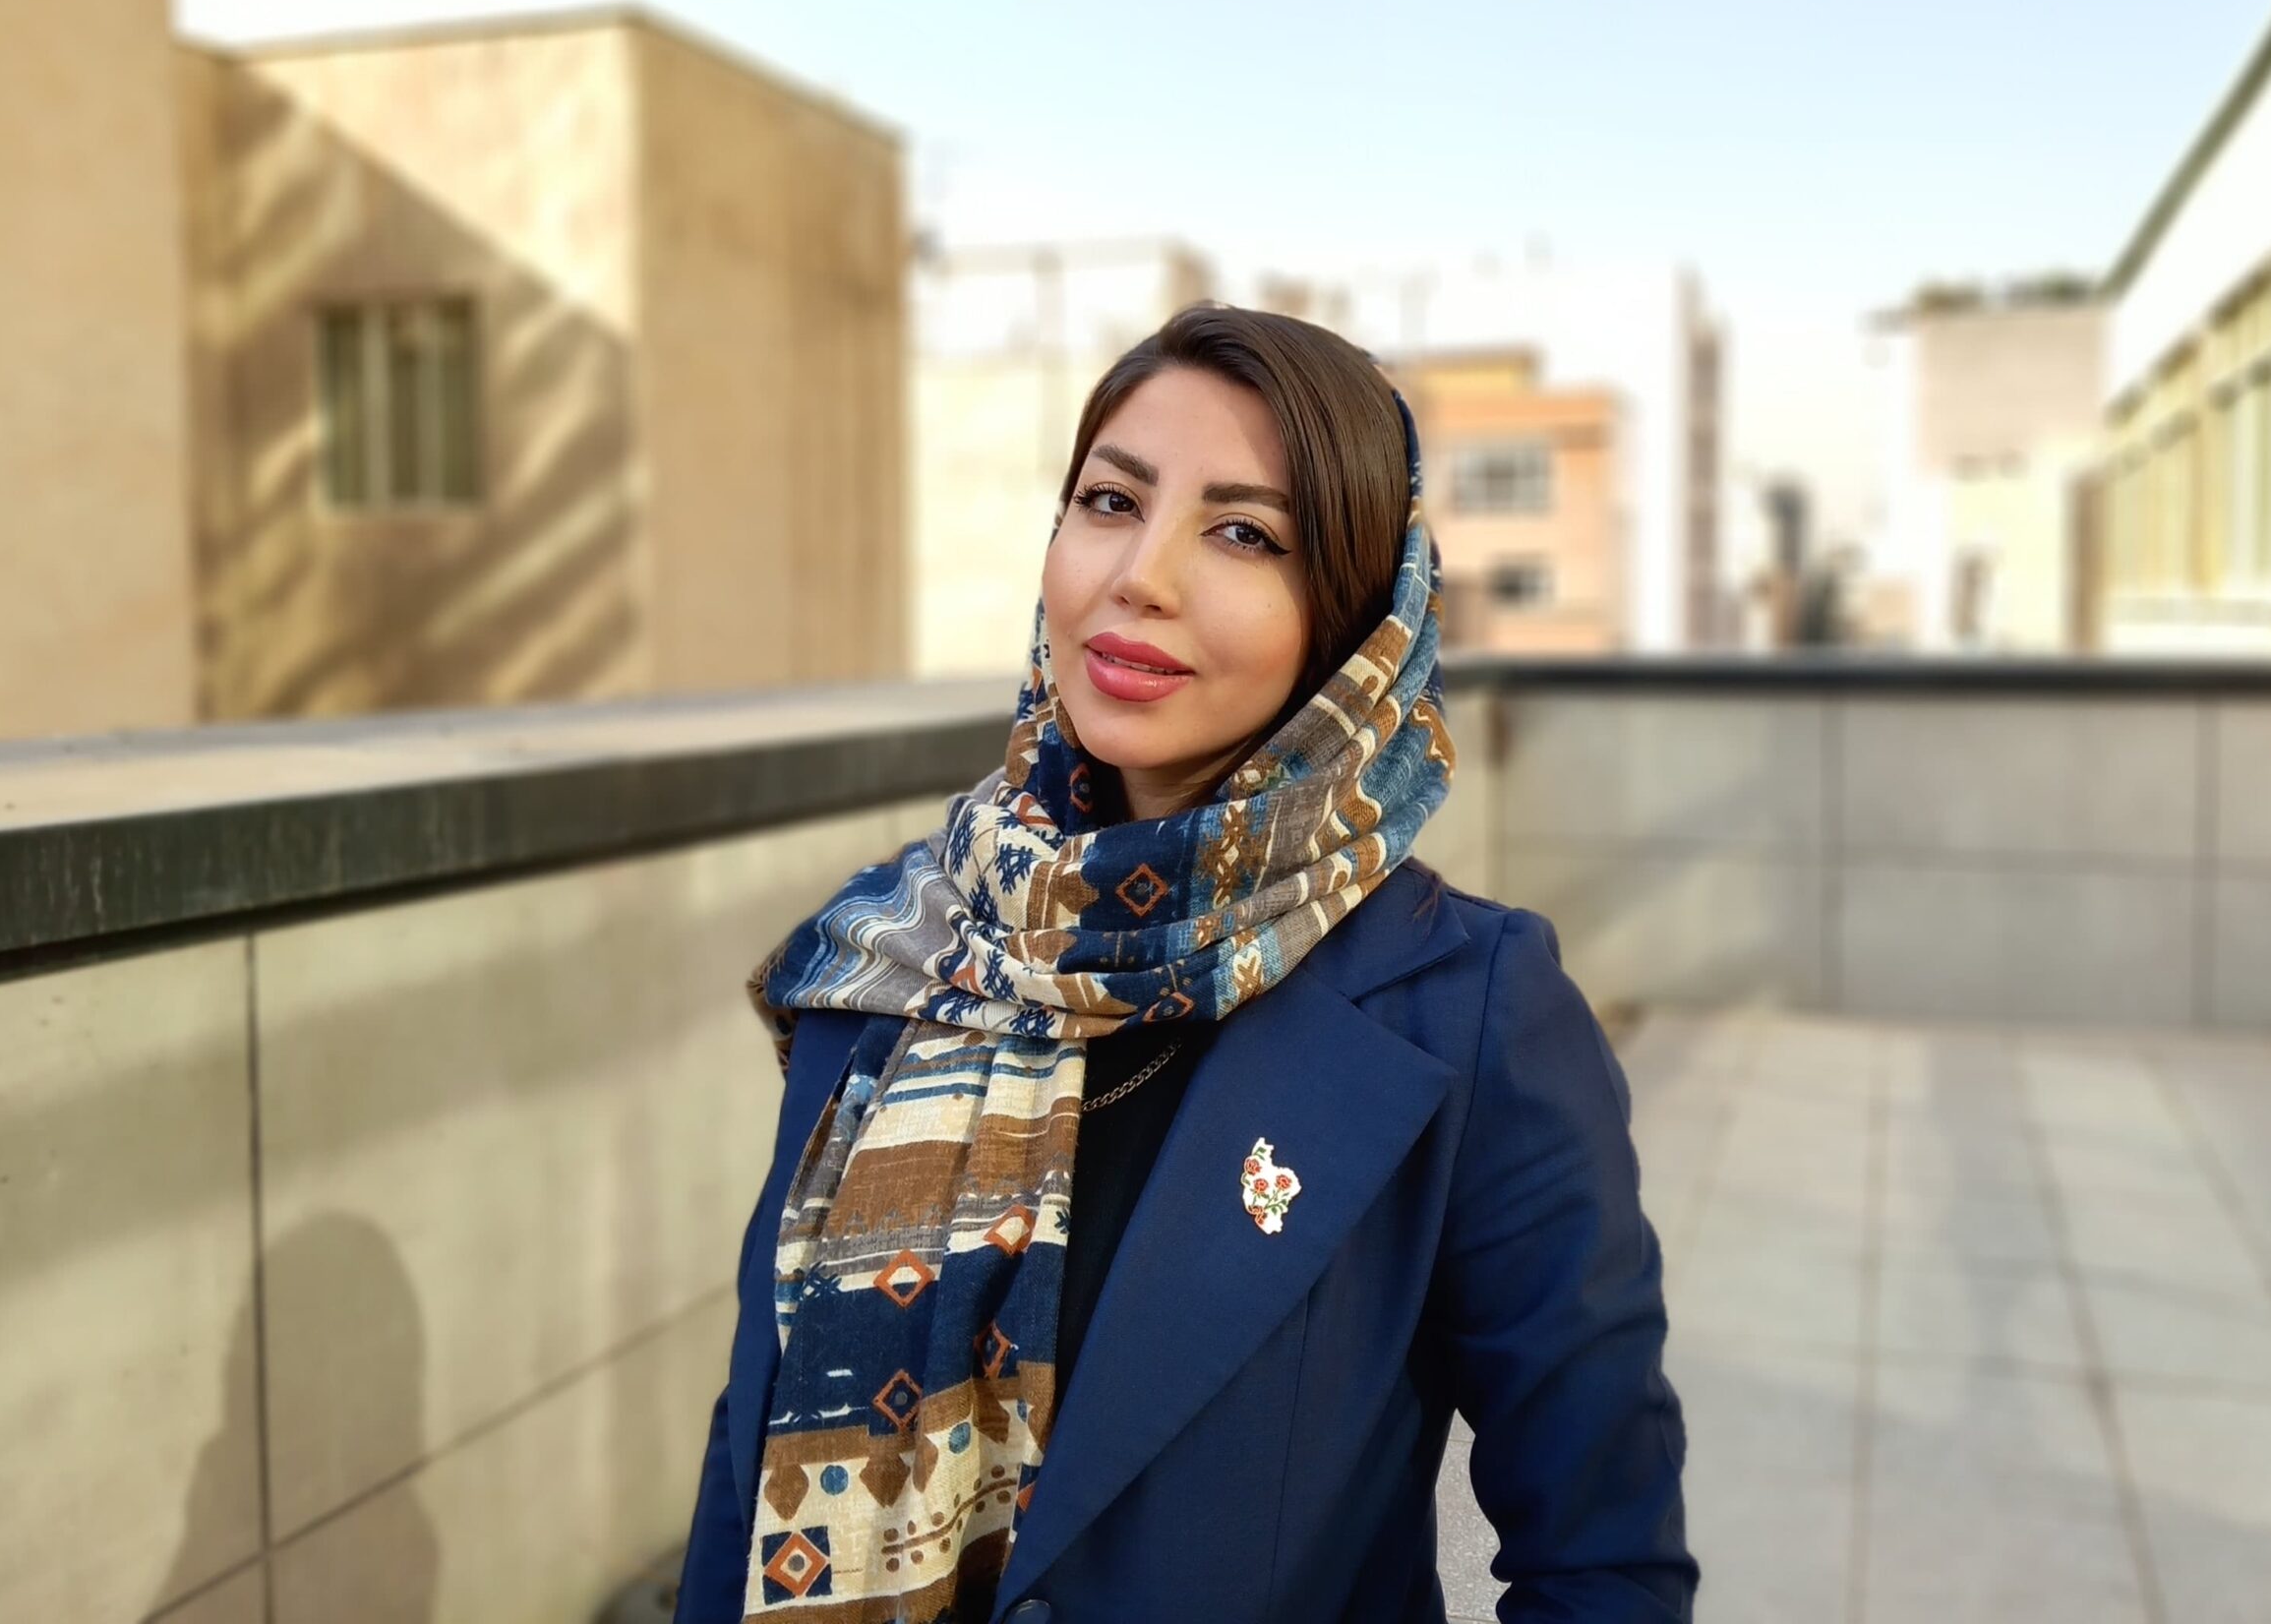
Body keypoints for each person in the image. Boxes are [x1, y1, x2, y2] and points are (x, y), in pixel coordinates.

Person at [675, 305, 1694, 1623]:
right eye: (1111, 502)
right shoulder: (893, 956)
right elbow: (748, 1456)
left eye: (1244, 534)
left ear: (1358, 623)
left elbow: (1601, 1564)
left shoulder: (1467, 1010)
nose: (1140, 575)